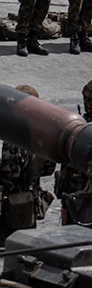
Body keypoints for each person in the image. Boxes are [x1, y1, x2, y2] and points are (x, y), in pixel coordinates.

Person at [0, 85, 54, 245]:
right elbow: (49, 169)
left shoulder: (15, 135)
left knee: (4, 249)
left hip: (12, 205)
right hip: (31, 201)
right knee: (26, 247)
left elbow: (9, 174)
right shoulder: (44, 134)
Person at [60, 81, 92, 223]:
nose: (88, 105)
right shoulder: (79, 126)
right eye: (87, 100)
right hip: (74, 194)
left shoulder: (80, 128)